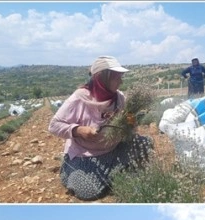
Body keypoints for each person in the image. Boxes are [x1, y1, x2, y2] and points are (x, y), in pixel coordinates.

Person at [48, 56, 153, 200]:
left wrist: (130, 123)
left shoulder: (119, 98)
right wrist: (79, 130)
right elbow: (54, 125)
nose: (121, 81)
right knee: (88, 191)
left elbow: (127, 128)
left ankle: (111, 175)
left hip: (113, 149)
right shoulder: (79, 98)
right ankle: (110, 174)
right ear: (102, 78)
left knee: (145, 143)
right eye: (117, 77)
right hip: (87, 154)